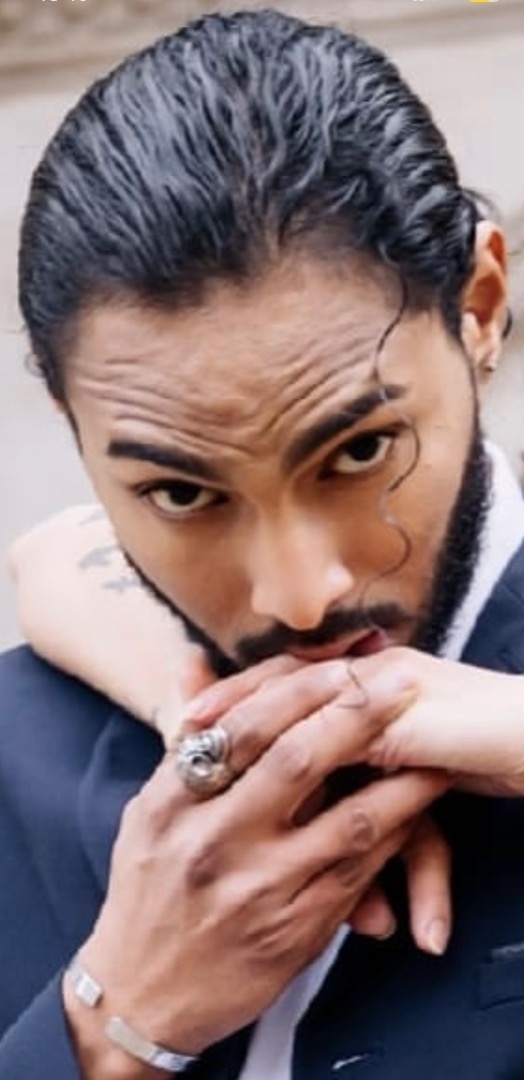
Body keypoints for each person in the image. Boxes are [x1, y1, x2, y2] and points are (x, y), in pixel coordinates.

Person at [4, 8, 524, 1078]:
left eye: (359, 451)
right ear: (72, 423)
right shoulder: (18, 748)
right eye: (182, 492)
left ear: (478, 309)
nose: (298, 598)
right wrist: (106, 1032)